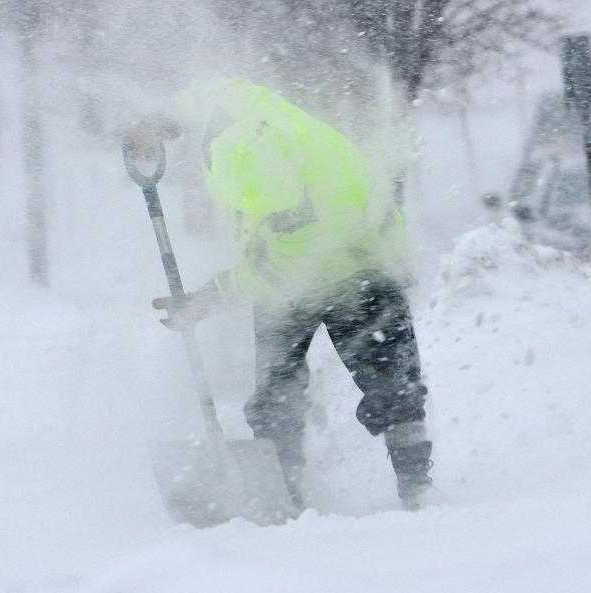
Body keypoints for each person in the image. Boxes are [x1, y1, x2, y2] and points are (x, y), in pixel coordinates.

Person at [152, 77, 433, 511]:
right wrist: (159, 119)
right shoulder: (260, 117)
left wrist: (210, 298)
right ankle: (412, 489)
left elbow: (288, 263)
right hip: (371, 260)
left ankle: (286, 497)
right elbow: (212, 93)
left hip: (340, 273)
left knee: (290, 391)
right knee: (393, 385)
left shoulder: (246, 152)